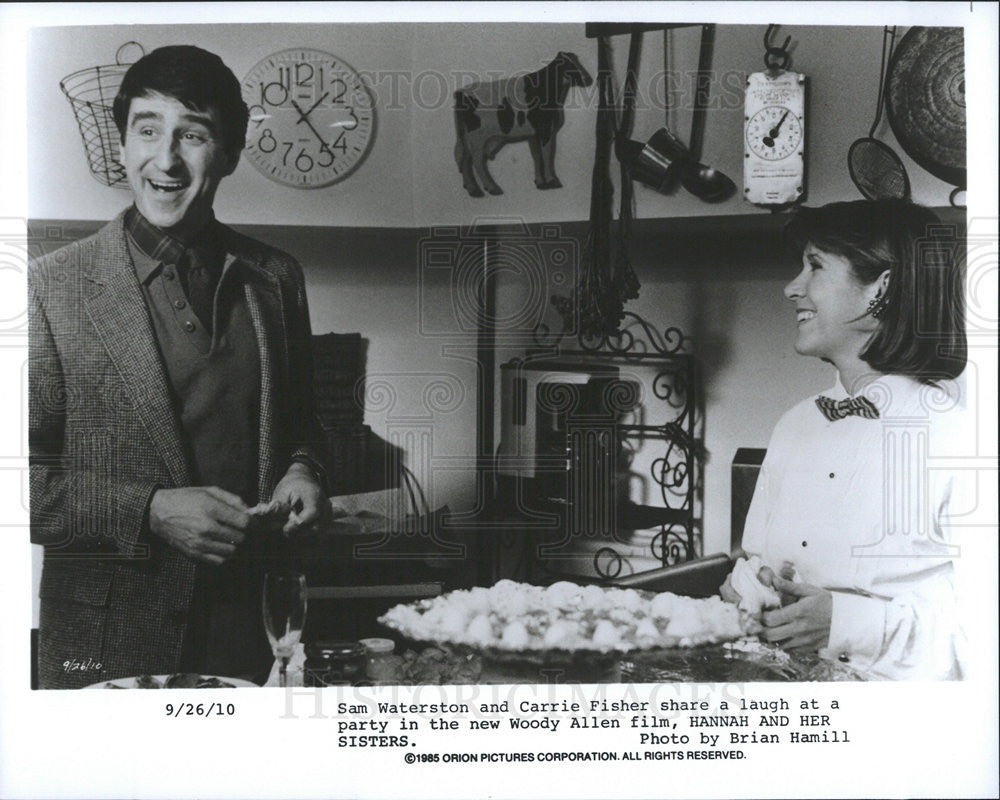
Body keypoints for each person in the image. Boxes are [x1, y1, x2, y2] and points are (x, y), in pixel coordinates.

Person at [29, 45, 330, 688]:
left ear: (228, 153)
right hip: (107, 646)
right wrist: (151, 509)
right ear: (121, 142)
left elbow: (305, 424)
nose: (164, 160)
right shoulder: (46, 288)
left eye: (191, 135)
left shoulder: (277, 279)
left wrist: (304, 469)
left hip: (253, 635)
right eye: (147, 130)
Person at [722, 199, 969, 680]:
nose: (792, 288)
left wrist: (848, 625)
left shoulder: (958, 439)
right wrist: (750, 590)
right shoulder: (794, 425)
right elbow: (757, 560)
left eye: (815, 266)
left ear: (883, 289)